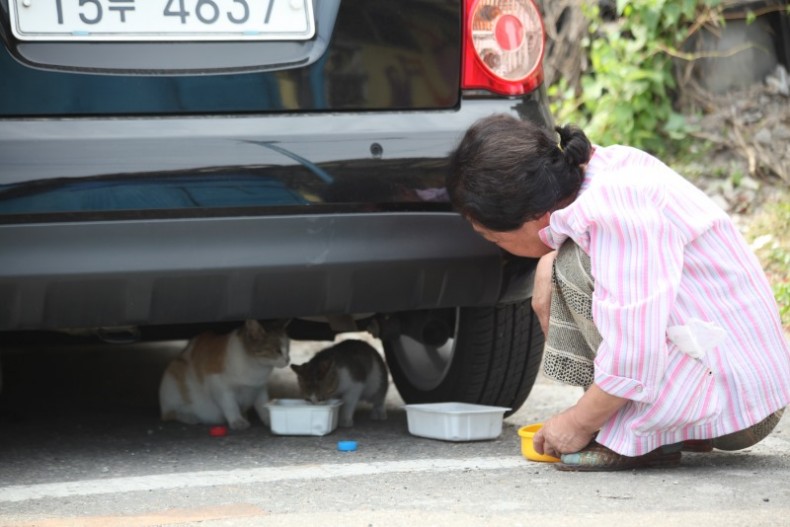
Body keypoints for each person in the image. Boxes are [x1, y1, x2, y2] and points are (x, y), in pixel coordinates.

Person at [446, 114, 790, 471]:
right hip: (726, 377)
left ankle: (637, 437)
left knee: (571, 265)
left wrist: (577, 423)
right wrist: (547, 260)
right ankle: (640, 424)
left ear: (533, 215)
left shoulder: (614, 212)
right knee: (560, 262)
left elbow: (634, 354)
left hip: (737, 402)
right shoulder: (601, 169)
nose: (499, 248)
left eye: (495, 238)